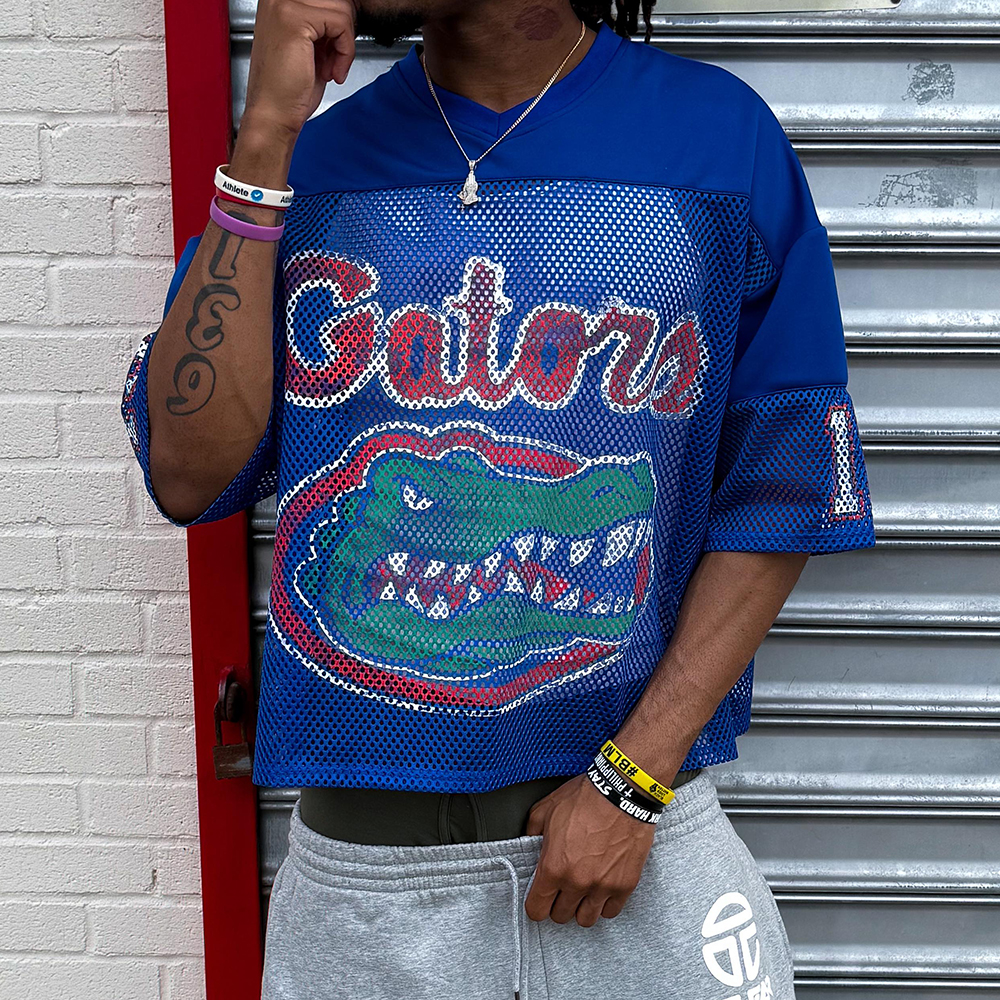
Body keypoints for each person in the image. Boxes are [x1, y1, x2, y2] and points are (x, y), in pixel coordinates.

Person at [121, 1, 876, 997]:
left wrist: (631, 782)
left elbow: (778, 492)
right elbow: (186, 476)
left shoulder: (716, 142)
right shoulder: (309, 167)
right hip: (367, 884)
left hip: (635, 845)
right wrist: (262, 137)